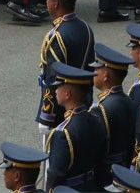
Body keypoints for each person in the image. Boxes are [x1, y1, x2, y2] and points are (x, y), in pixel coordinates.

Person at [36, 0, 95, 130]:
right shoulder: (85, 28)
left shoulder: (57, 36)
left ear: (55, 3)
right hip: (83, 102)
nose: (46, 1)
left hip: (61, 110)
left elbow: (52, 78)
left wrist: (47, 116)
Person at [44, 63, 107, 191]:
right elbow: (101, 163)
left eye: (58, 87)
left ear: (67, 94)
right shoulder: (97, 120)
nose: (55, 91)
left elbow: (56, 175)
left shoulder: (62, 133)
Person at [89, 43, 137, 179]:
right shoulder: (128, 101)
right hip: (123, 169)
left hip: (104, 174)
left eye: (97, 69)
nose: (94, 72)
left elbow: (95, 149)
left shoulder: (101, 109)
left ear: (105, 75)